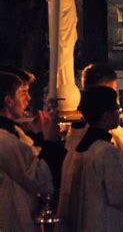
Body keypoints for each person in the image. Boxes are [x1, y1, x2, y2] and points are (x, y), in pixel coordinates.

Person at [65, 86, 123, 231]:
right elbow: (121, 194)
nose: (119, 112)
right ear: (106, 115)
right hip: (106, 222)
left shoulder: (81, 146)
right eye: (116, 108)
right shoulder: (106, 151)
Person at [0, 71, 66, 232]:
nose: (28, 99)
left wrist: (35, 133)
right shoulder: (4, 141)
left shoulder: (12, 134)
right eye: (22, 93)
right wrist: (50, 139)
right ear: (8, 100)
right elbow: (39, 178)